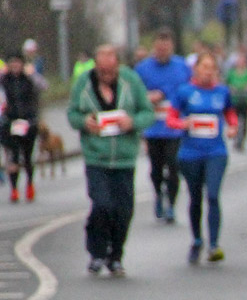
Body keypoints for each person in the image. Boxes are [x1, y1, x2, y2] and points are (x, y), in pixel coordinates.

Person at [66, 44, 155, 276]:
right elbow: (72, 114)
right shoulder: (84, 83)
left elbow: (147, 112)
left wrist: (132, 122)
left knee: (123, 210)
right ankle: (96, 252)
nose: (106, 75)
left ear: (118, 65)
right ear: (95, 66)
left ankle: (115, 255)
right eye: (102, 71)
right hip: (96, 156)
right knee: (103, 205)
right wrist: (85, 122)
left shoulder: (130, 80)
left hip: (124, 157)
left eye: (111, 70)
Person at [165, 52, 237, 264]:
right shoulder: (185, 91)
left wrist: (233, 127)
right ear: (196, 69)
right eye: (204, 67)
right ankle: (197, 239)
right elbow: (171, 118)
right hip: (190, 153)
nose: (208, 71)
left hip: (216, 151)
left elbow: (230, 113)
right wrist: (182, 124)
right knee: (195, 197)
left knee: (213, 195)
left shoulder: (222, 92)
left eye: (211, 68)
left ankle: (214, 244)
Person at [135, 29, 192, 223]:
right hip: (153, 127)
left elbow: (189, 89)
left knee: (174, 166)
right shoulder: (143, 69)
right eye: (159, 49)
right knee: (156, 168)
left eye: (166, 49)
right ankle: (158, 194)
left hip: (175, 127)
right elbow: (134, 93)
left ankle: (171, 204)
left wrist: (172, 98)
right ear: (154, 48)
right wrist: (147, 97)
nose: (162, 52)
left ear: (172, 48)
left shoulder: (182, 66)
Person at [1, 54, 40, 202]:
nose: (15, 66)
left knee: (28, 156)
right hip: (10, 123)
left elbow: (43, 86)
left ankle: (30, 184)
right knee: (13, 157)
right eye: (12, 63)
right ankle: (14, 189)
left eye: (18, 63)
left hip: (28, 122)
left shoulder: (29, 79)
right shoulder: (4, 81)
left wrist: (33, 74)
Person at [226, 50, 247, 151]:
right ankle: (236, 139)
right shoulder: (232, 73)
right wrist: (231, 88)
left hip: (245, 100)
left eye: (243, 60)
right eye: (239, 60)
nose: (241, 62)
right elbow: (226, 84)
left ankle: (241, 141)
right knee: (236, 121)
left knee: (245, 122)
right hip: (235, 101)